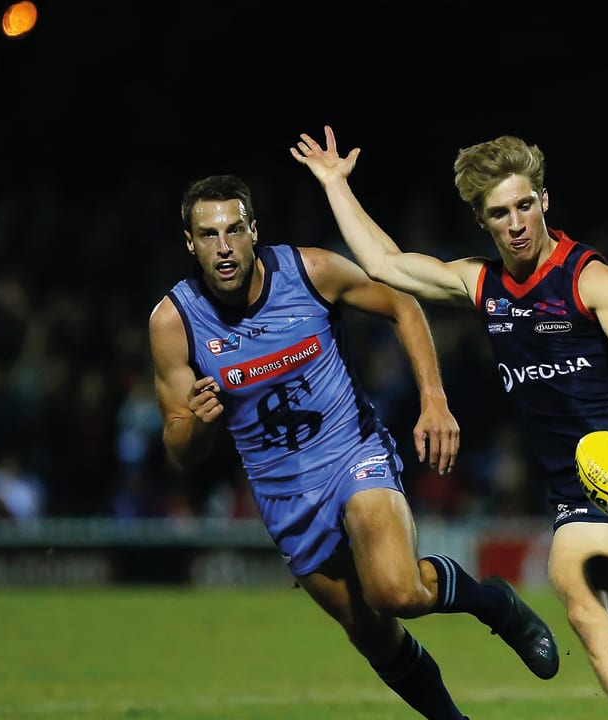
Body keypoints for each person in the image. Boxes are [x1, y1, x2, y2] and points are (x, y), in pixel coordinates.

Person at [292, 127, 608, 720]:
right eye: (500, 213)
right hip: (585, 491)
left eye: (525, 205)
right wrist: (336, 185)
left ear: (544, 201)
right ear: (483, 221)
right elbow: (385, 264)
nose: (517, 222)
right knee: (584, 607)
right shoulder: (483, 285)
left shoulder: (589, 278)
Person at [148, 174, 559, 720]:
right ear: (189, 242)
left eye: (233, 230)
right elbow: (179, 449)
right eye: (207, 235)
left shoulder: (310, 271)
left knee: (397, 592)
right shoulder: (174, 323)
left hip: (352, 454)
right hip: (284, 495)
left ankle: (495, 604)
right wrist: (196, 426)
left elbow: (403, 305)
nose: (223, 247)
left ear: (253, 231)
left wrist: (433, 401)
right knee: (374, 636)